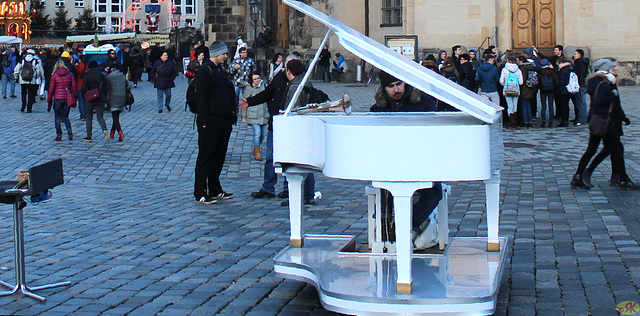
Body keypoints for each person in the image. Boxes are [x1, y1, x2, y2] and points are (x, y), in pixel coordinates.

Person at [370, 71, 443, 250]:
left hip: (420, 161)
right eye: (391, 86)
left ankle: (407, 225)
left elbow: (433, 134)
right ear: (384, 89)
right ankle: (388, 229)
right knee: (386, 192)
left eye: (399, 84)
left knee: (434, 192)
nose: (396, 90)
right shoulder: (378, 109)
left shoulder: (424, 102)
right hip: (391, 163)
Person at [240, 55, 316, 205]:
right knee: (271, 157)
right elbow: (268, 94)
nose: (284, 69)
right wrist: (250, 102)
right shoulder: (279, 78)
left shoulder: (301, 84)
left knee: (294, 159)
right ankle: (269, 187)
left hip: (292, 127)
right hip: (276, 124)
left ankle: (293, 190)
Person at [572, 58, 638, 190]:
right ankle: (589, 173)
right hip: (605, 120)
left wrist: (623, 117)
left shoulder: (601, 81)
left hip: (602, 119)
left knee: (601, 149)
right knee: (614, 148)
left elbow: (614, 104)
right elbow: (603, 100)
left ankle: (582, 176)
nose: (616, 69)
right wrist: (612, 94)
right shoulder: (604, 83)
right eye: (613, 68)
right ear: (606, 70)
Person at [192, 41, 237, 204]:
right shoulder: (205, 71)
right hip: (210, 120)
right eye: (224, 54)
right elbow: (202, 98)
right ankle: (200, 192)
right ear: (216, 54)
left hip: (223, 120)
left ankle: (215, 188)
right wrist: (204, 120)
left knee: (219, 156)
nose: (226, 56)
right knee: (206, 156)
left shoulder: (219, 70)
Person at [241, 71, 269, 161]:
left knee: (263, 135)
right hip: (253, 115)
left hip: (264, 114)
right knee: (257, 133)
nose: (257, 80)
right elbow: (244, 103)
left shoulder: (264, 86)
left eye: (258, 78)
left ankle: (256, 147)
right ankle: (257, 152)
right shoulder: (249, 89)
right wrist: (243, 117)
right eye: (255, 79)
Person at [81, 61, 110, 142]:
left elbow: (83, 88)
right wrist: (103, 95)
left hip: (90, 98)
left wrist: (85, 95)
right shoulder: (101, 75)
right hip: (100, 98)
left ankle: (89, 136)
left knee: (89, 117)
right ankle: (104, 130)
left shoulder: (87, 75)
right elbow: (106, 87)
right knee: (100, 117)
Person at [48, 59, 76, 141]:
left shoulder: (54, 75)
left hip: (57, 98)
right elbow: (73, 87)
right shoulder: (70, 74)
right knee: (65, 116)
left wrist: (49, 99)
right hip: (67, 97)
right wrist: (75, 96)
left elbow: (51, 88)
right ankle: (69, 129)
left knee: (57, 116)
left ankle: (59, 135)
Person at [102, 66, 130, 142]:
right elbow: (129, 85)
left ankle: (120, 133)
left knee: (115, 117)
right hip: (122, 97)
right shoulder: (122, 75)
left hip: (112, 98)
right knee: (116, 115)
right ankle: (112, 132)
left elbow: (105, 88)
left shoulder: (108, 77)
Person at [14, 49, 44, 113]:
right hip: (31, 80)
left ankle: (23, 105)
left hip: (23, 79)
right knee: (31, 94)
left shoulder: (22, 60)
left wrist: (16, 77)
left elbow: (16, 69)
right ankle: (29, 108)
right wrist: (36, 76)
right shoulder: (35, 60)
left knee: (23, 93)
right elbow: (38, 70)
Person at [499, 56, 523, 130]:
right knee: (515, 106)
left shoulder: (504, 69)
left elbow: (501, 81)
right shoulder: (518, 70)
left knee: (509, 106)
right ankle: (515, 124)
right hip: (516, 91)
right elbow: (521, 82)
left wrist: (505, 85)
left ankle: (511, 124)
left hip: (507, 90)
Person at [537, 59, 559, 127]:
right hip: (551, 91)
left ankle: (543, 121)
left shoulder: (540, 72)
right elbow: (557, 82)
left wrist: (540, 87)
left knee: (543, 107)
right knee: (551, 106)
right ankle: (551, 121)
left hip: (543, 91)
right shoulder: (552, 72)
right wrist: (554, 87)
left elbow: (538, 82)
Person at [571, 49, 590, 125]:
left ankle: (582, 120)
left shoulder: (579, 63)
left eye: (575, 54)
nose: (574, 55)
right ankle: (580, 118)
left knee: (581, 103)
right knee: (580, 102)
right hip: (582, 84)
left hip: (580, 85)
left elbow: (579, 75)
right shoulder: (582, 63)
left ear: (579, 55)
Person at [517, 55, 536, 128]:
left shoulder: (522, 68)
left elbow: (522, 80)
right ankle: (530, 120)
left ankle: (525, 121)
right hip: (530, 88)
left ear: (521, 61)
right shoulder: (531, 67)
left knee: (524, 106)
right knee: (528, 105)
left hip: (524, 88)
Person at [555, 56, 573, 127]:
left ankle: (564, 121)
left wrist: (558, 91)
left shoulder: (563, 70)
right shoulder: (569, 68)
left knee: (563, 106)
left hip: (563, 91)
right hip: (568, 90)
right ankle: (565, 120)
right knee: (566, 106)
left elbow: (562, 82)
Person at [75, 55, 89, 121]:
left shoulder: (78, 67)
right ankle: (87, 114)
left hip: (79, 86)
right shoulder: (88, 66)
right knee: (86, 101)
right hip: (87, 86)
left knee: (81, 101)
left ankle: (83, 116)